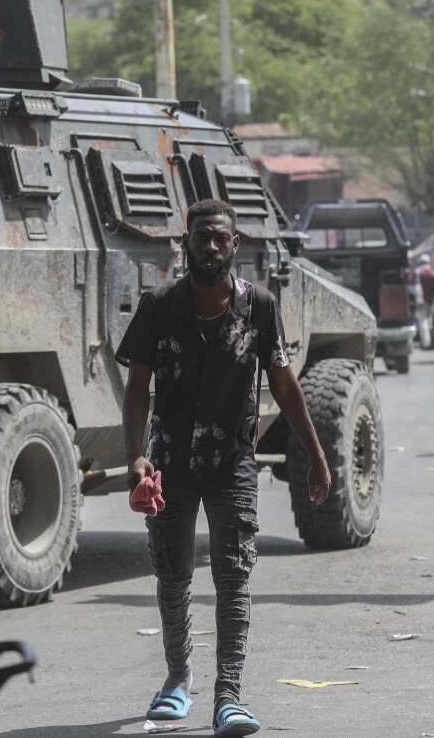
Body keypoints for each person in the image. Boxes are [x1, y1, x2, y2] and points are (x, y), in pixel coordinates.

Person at [118, 200, 330, 738]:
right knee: (172, 573)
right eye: (201, 237)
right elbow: (138, 386)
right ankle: (176, 678)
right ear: (185, 242)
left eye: (221, 239)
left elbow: (283, 384)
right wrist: (134, 455)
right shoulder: (159, 305)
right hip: (169, 462)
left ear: (235, 246)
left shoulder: (259, 306)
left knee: (234, 577)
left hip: (232, 462)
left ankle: (228, 696)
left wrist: (315, 455)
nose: (210, 247)